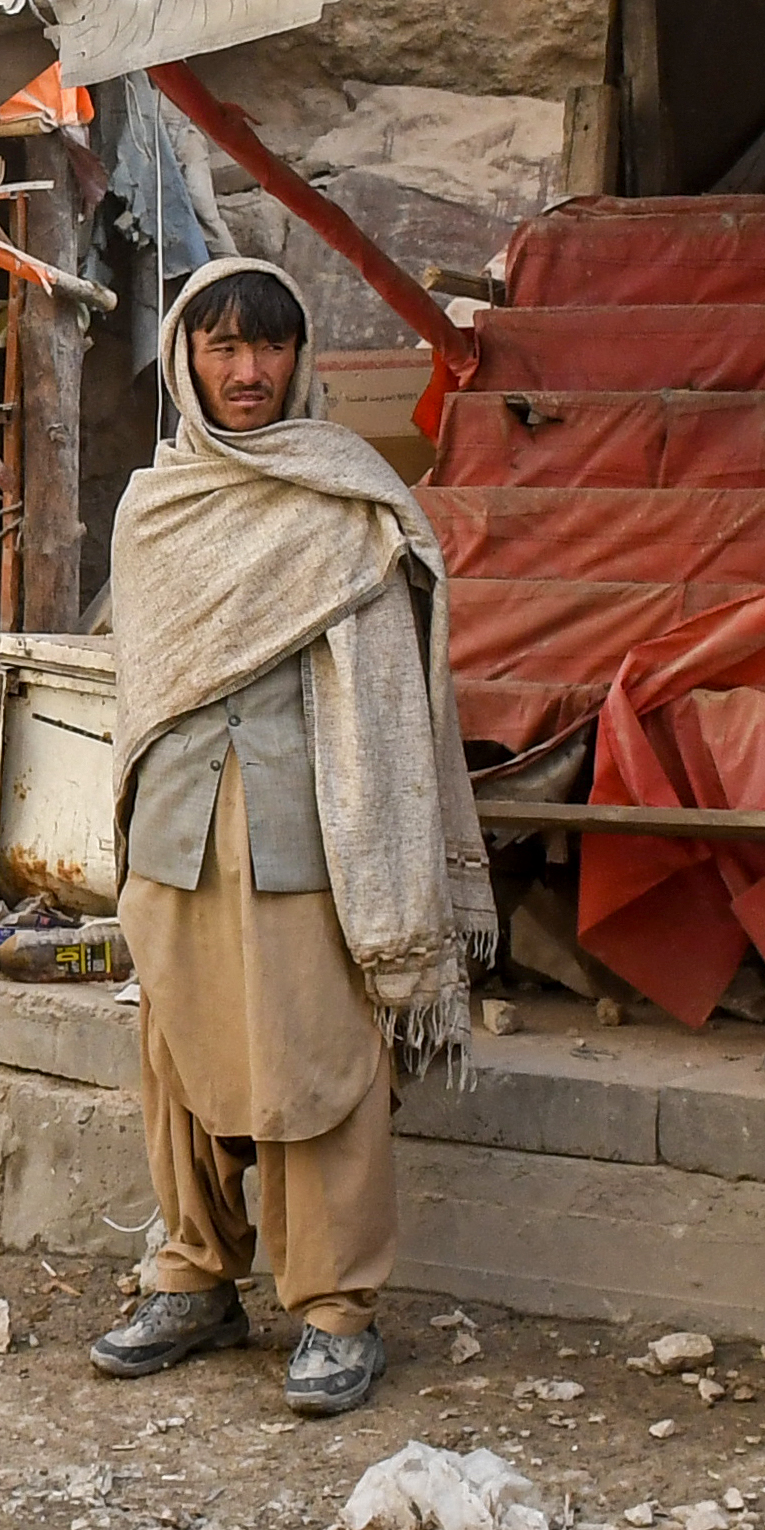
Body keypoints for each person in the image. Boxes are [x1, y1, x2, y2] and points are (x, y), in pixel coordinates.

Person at [82, 257, 497, 1420]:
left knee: (319, 1064)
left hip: (315, 831)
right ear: (184, 359)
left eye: (266, 347)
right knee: (178, 1062)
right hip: (174, 829)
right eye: (221, 346)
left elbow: (387, 686)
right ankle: (194, 1276)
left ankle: (331, 1308)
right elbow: (146, 679)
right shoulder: (154, 501)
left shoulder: (347, 495)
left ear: (299, 357)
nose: (248, 370)